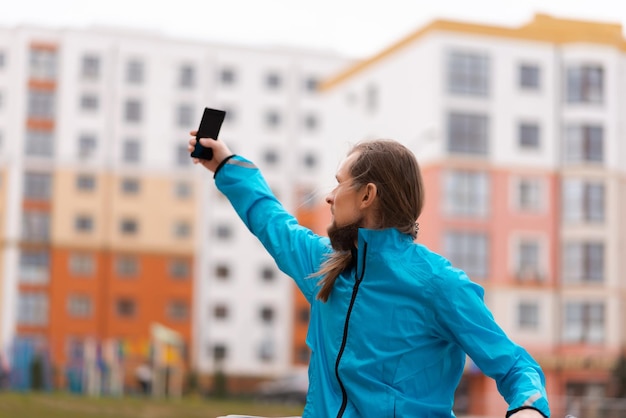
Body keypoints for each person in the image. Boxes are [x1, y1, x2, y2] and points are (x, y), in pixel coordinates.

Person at [188, 134, 550, 418]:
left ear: (367, 195)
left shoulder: (439, 285)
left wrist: (529, 408)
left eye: (339, 183)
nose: (330, 197)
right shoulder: (326, 265)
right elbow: (272, 221)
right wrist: (225, 164)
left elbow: (515, 365)